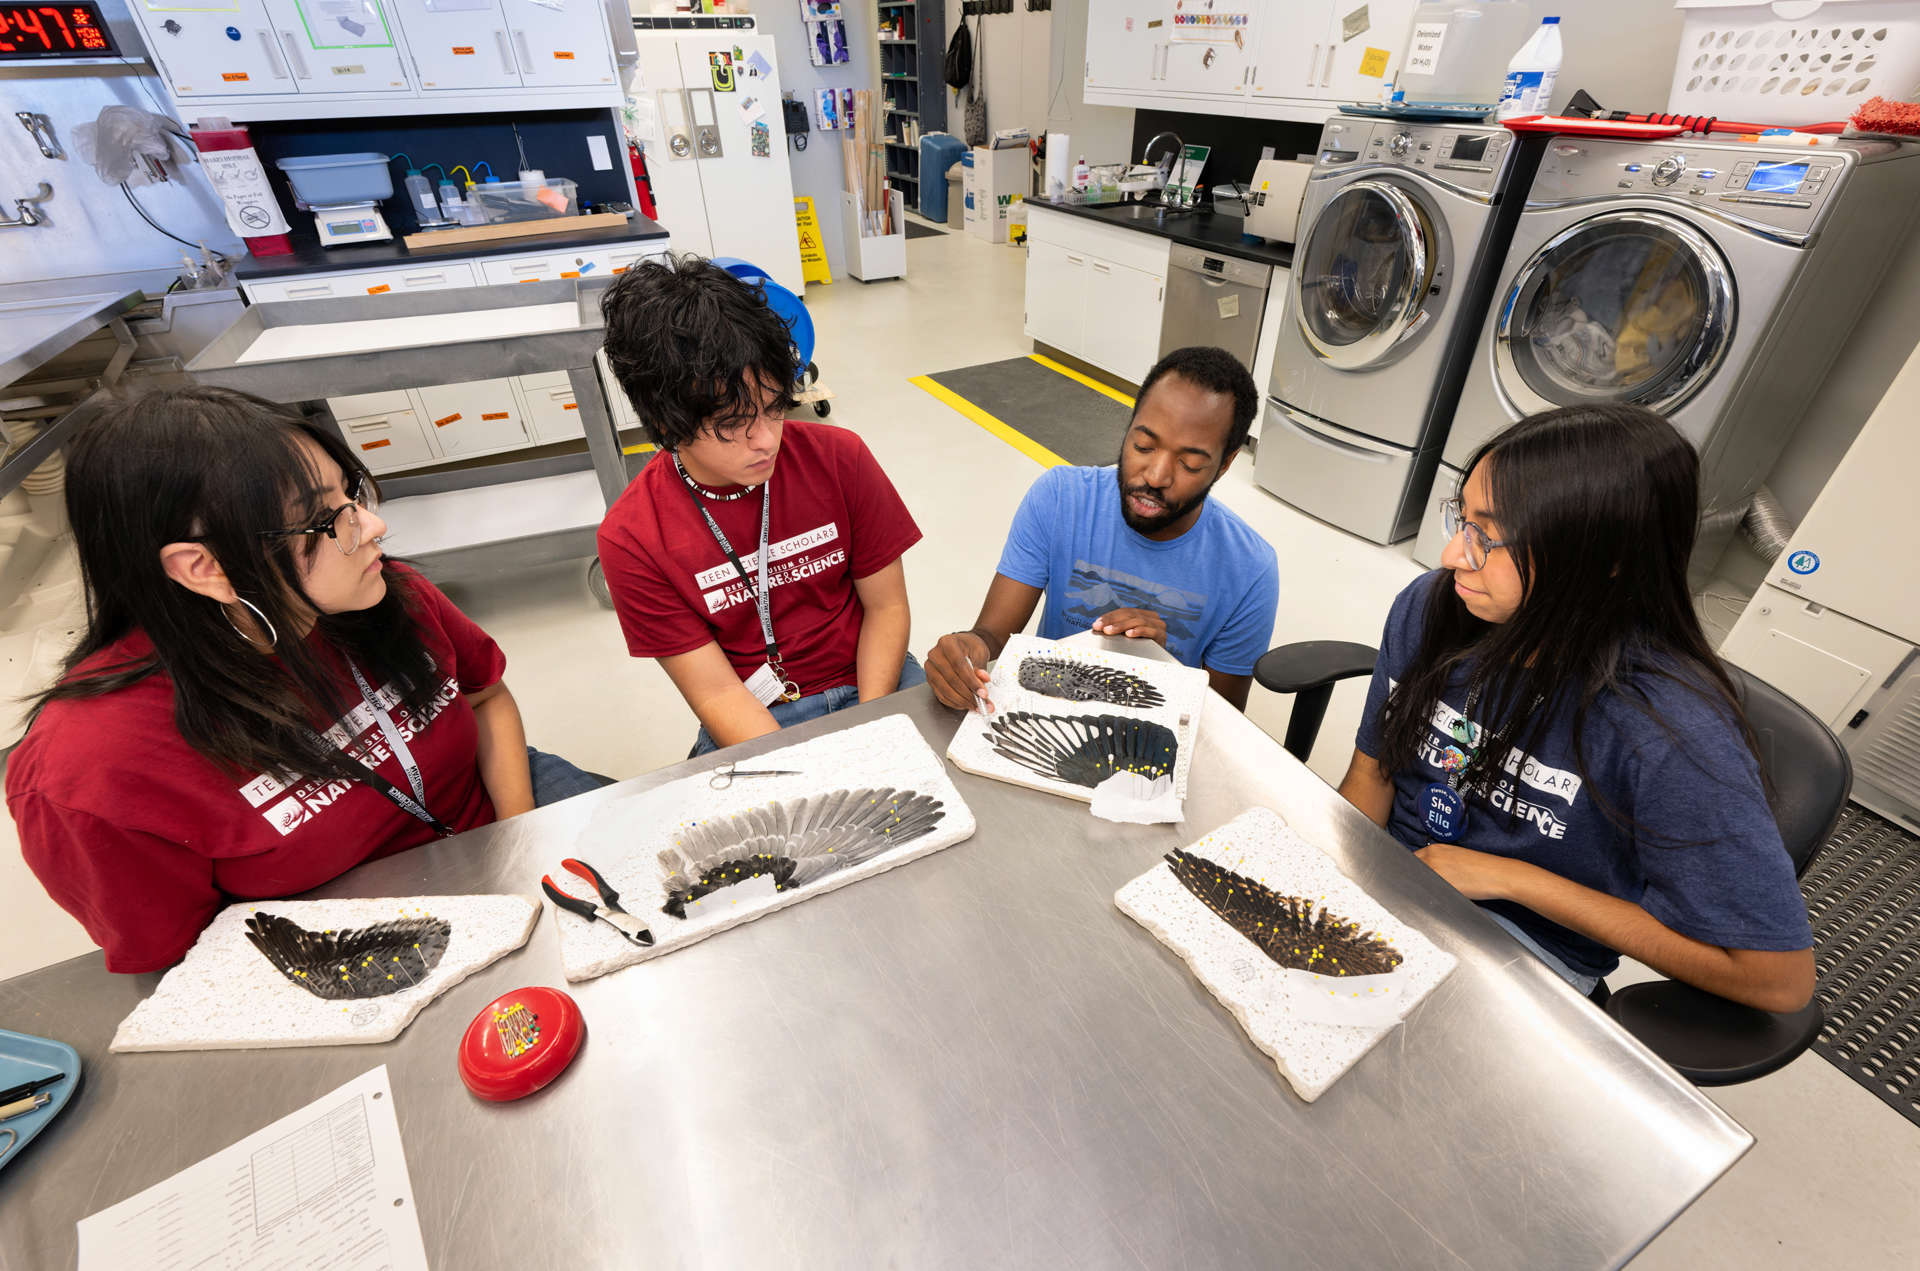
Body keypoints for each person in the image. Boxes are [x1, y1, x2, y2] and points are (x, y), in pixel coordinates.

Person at [6, 387, 607, 973]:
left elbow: (486, 697)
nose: (373, 526)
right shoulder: (91, 770)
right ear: (203, 567)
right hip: (350, 931)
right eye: (328, 519)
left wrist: (518, 842)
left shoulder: (382, 591)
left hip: (494, 805)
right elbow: (188, 964)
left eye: (353, 495)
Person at [1336, 403, 1815, 1010]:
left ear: (1604, 559)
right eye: (1464, 519)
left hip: (1523, 953)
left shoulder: (1670, 732)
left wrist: (1514, 879)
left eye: (1490, 536)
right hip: (1397, 880)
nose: (1455, 554)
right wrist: (1332, 880)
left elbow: (1779, 981)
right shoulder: (1435, 606)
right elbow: (1372, 773)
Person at [596, 257, 922, 755]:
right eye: (732, 423)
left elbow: (888, 607)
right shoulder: (634, 537)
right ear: (665, 425)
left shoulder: (840, 458)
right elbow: (715, 691)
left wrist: (870, 730)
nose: (766, 440)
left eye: (774, 408)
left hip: (875, 679)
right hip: (755, 714)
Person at [925, 346, 1278, 711]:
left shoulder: (1249, 569)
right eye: (1143, 445)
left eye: (1188, 464)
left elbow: (1223, 718)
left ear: (1225, 464)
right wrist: (966, 649)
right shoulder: (1061, 498)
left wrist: (1161, 668)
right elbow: (990, 634)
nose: (1155, 476)